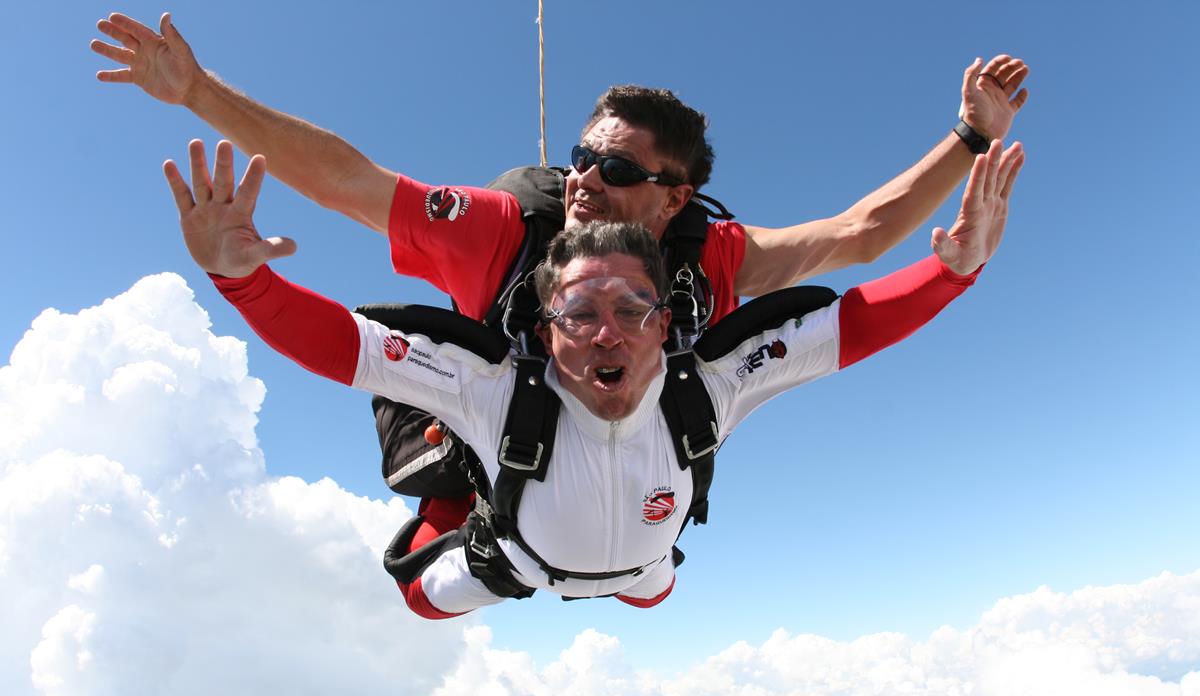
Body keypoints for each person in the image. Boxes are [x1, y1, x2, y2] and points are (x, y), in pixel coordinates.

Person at [93, 11, 1030, 581]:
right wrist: (200, 94)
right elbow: (350, 180)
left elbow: (861, 234)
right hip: (483, 440)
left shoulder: (717, 259)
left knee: (641, 553)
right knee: (440, 565)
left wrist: (968, 138)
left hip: (638, 452)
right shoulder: (503, 228)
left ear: (675, 197)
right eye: (580, 155)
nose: (581, 178)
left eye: (615, 167)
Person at [166, 136, 1024, 618]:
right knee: (421, 601)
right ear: (543, 326)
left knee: (650, 589)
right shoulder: (490, 386)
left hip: (644, 564)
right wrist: (241, 278)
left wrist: (957, 270)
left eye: (633, 308)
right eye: (580, 313)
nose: (606, 331)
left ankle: (636, 578)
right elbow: (341, 348)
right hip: (514, 559)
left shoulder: (708, 384)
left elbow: (850, 326)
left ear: (668, 321)